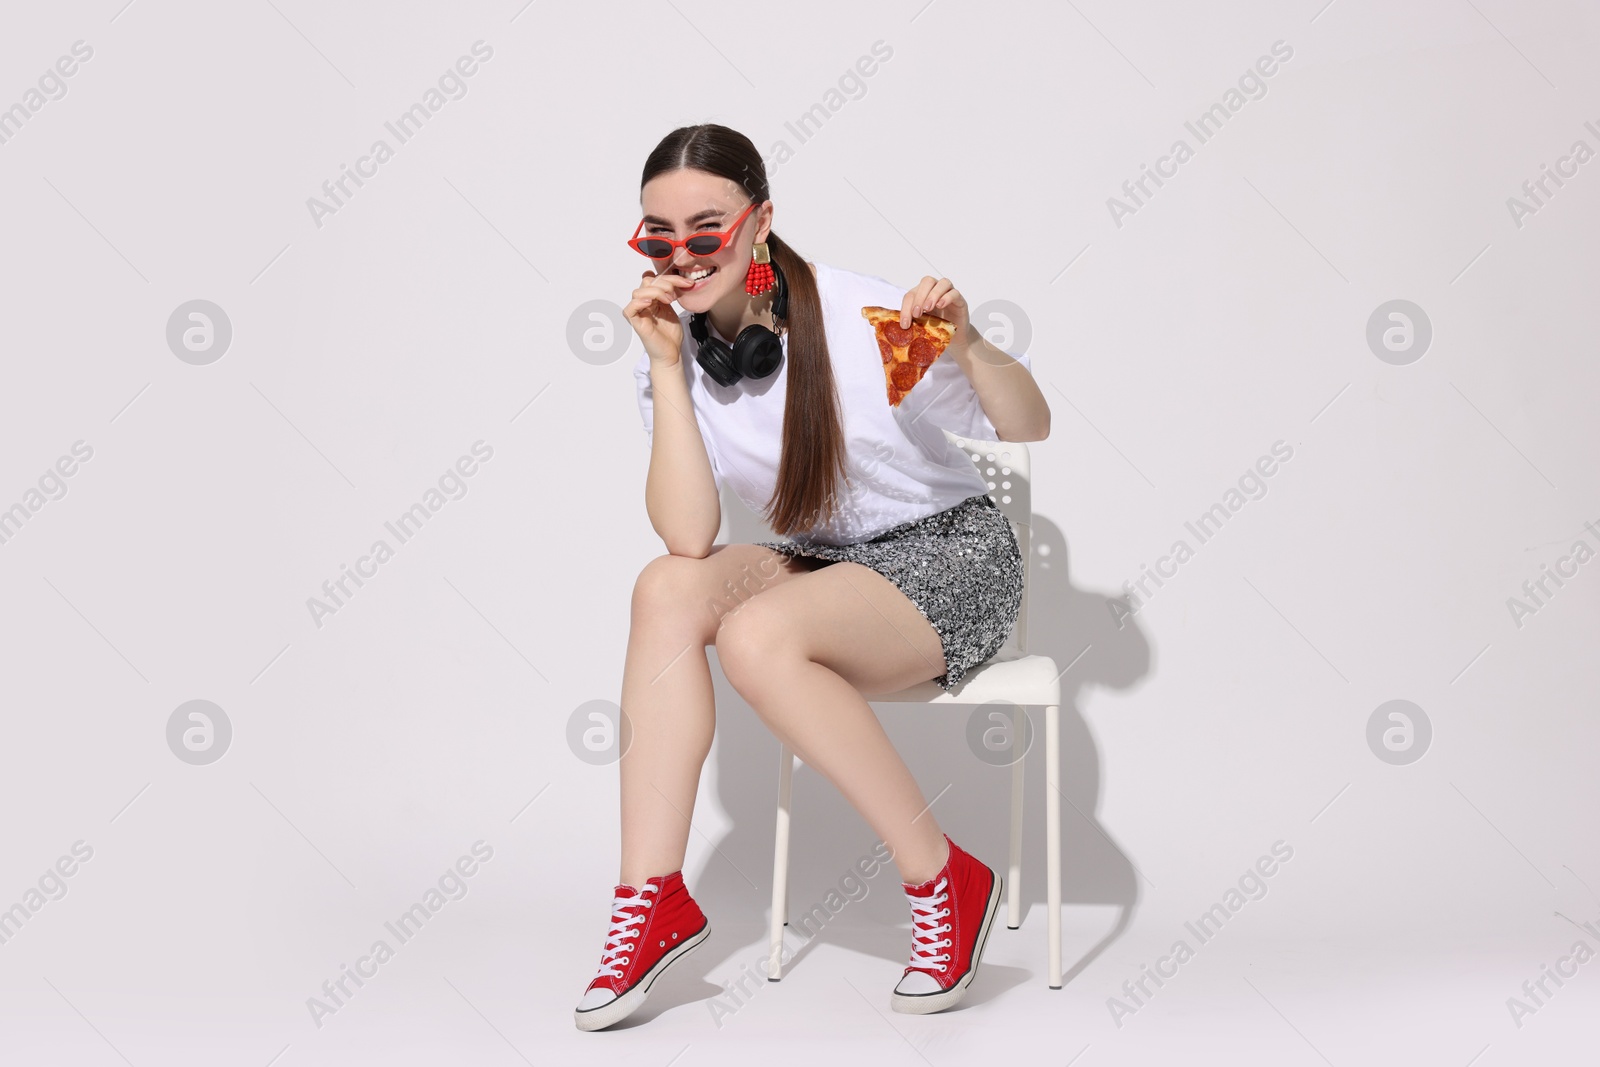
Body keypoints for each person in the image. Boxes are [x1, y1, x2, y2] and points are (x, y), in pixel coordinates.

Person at [574, 123, 1051, 1032]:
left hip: (950, 557)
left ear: (760, 223)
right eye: (659, 236)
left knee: (758, 633)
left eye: (707, 229)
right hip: (830, 567)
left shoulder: (864, 320)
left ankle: (944, 875)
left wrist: (971, 340)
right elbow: (688, 536)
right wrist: (667, 369)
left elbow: (1027, 425)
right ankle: (653, 896)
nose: (684, 256)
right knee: (663, 588)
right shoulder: (681, 354)